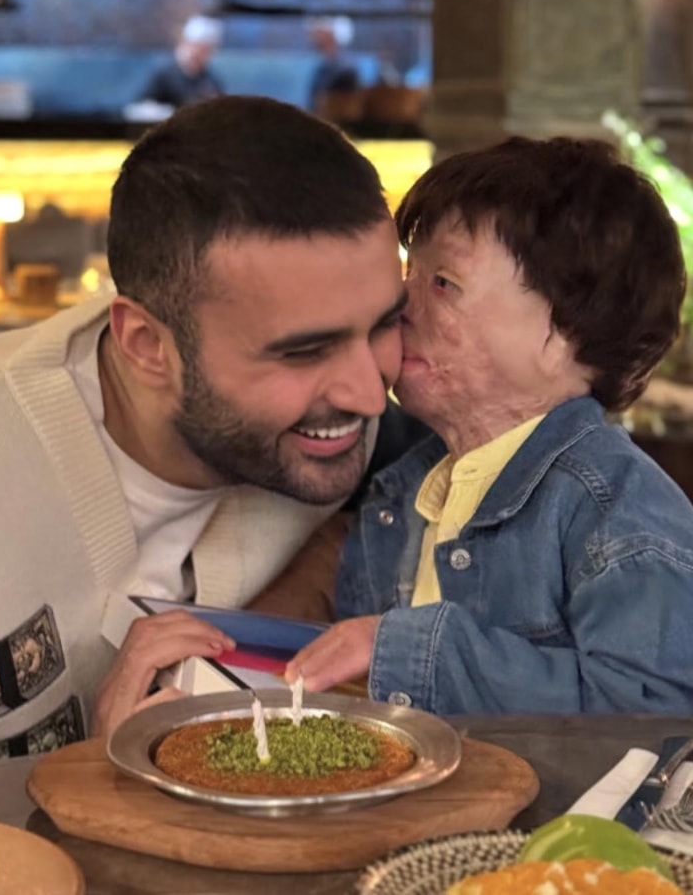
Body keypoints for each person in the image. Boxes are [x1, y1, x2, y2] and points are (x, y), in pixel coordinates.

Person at [0, 95, 422, 776]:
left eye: (384, 324)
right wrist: (102, 779)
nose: (369, 393)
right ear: (146, 344)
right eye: (303, 351)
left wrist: (296, 594)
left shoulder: (372, 438)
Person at [286, 135, 693, 715]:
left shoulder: (618, 508)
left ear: (563, 334)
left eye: (442, 282)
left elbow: (656, 714)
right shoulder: (404, 491)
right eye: (408, 271)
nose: (397, 302)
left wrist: (410, 652)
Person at [140, 15, 224, 109]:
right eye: (197, 47)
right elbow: (142, 107)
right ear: (185, 43)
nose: (199, 54)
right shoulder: (164, 73)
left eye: (206, 50)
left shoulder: (209, 80)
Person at [306, 16, 360, 117]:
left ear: (329, 35)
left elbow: (348, 104)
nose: (313, 37)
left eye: (319, 32)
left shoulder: (345, 67)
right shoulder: (322, 66)